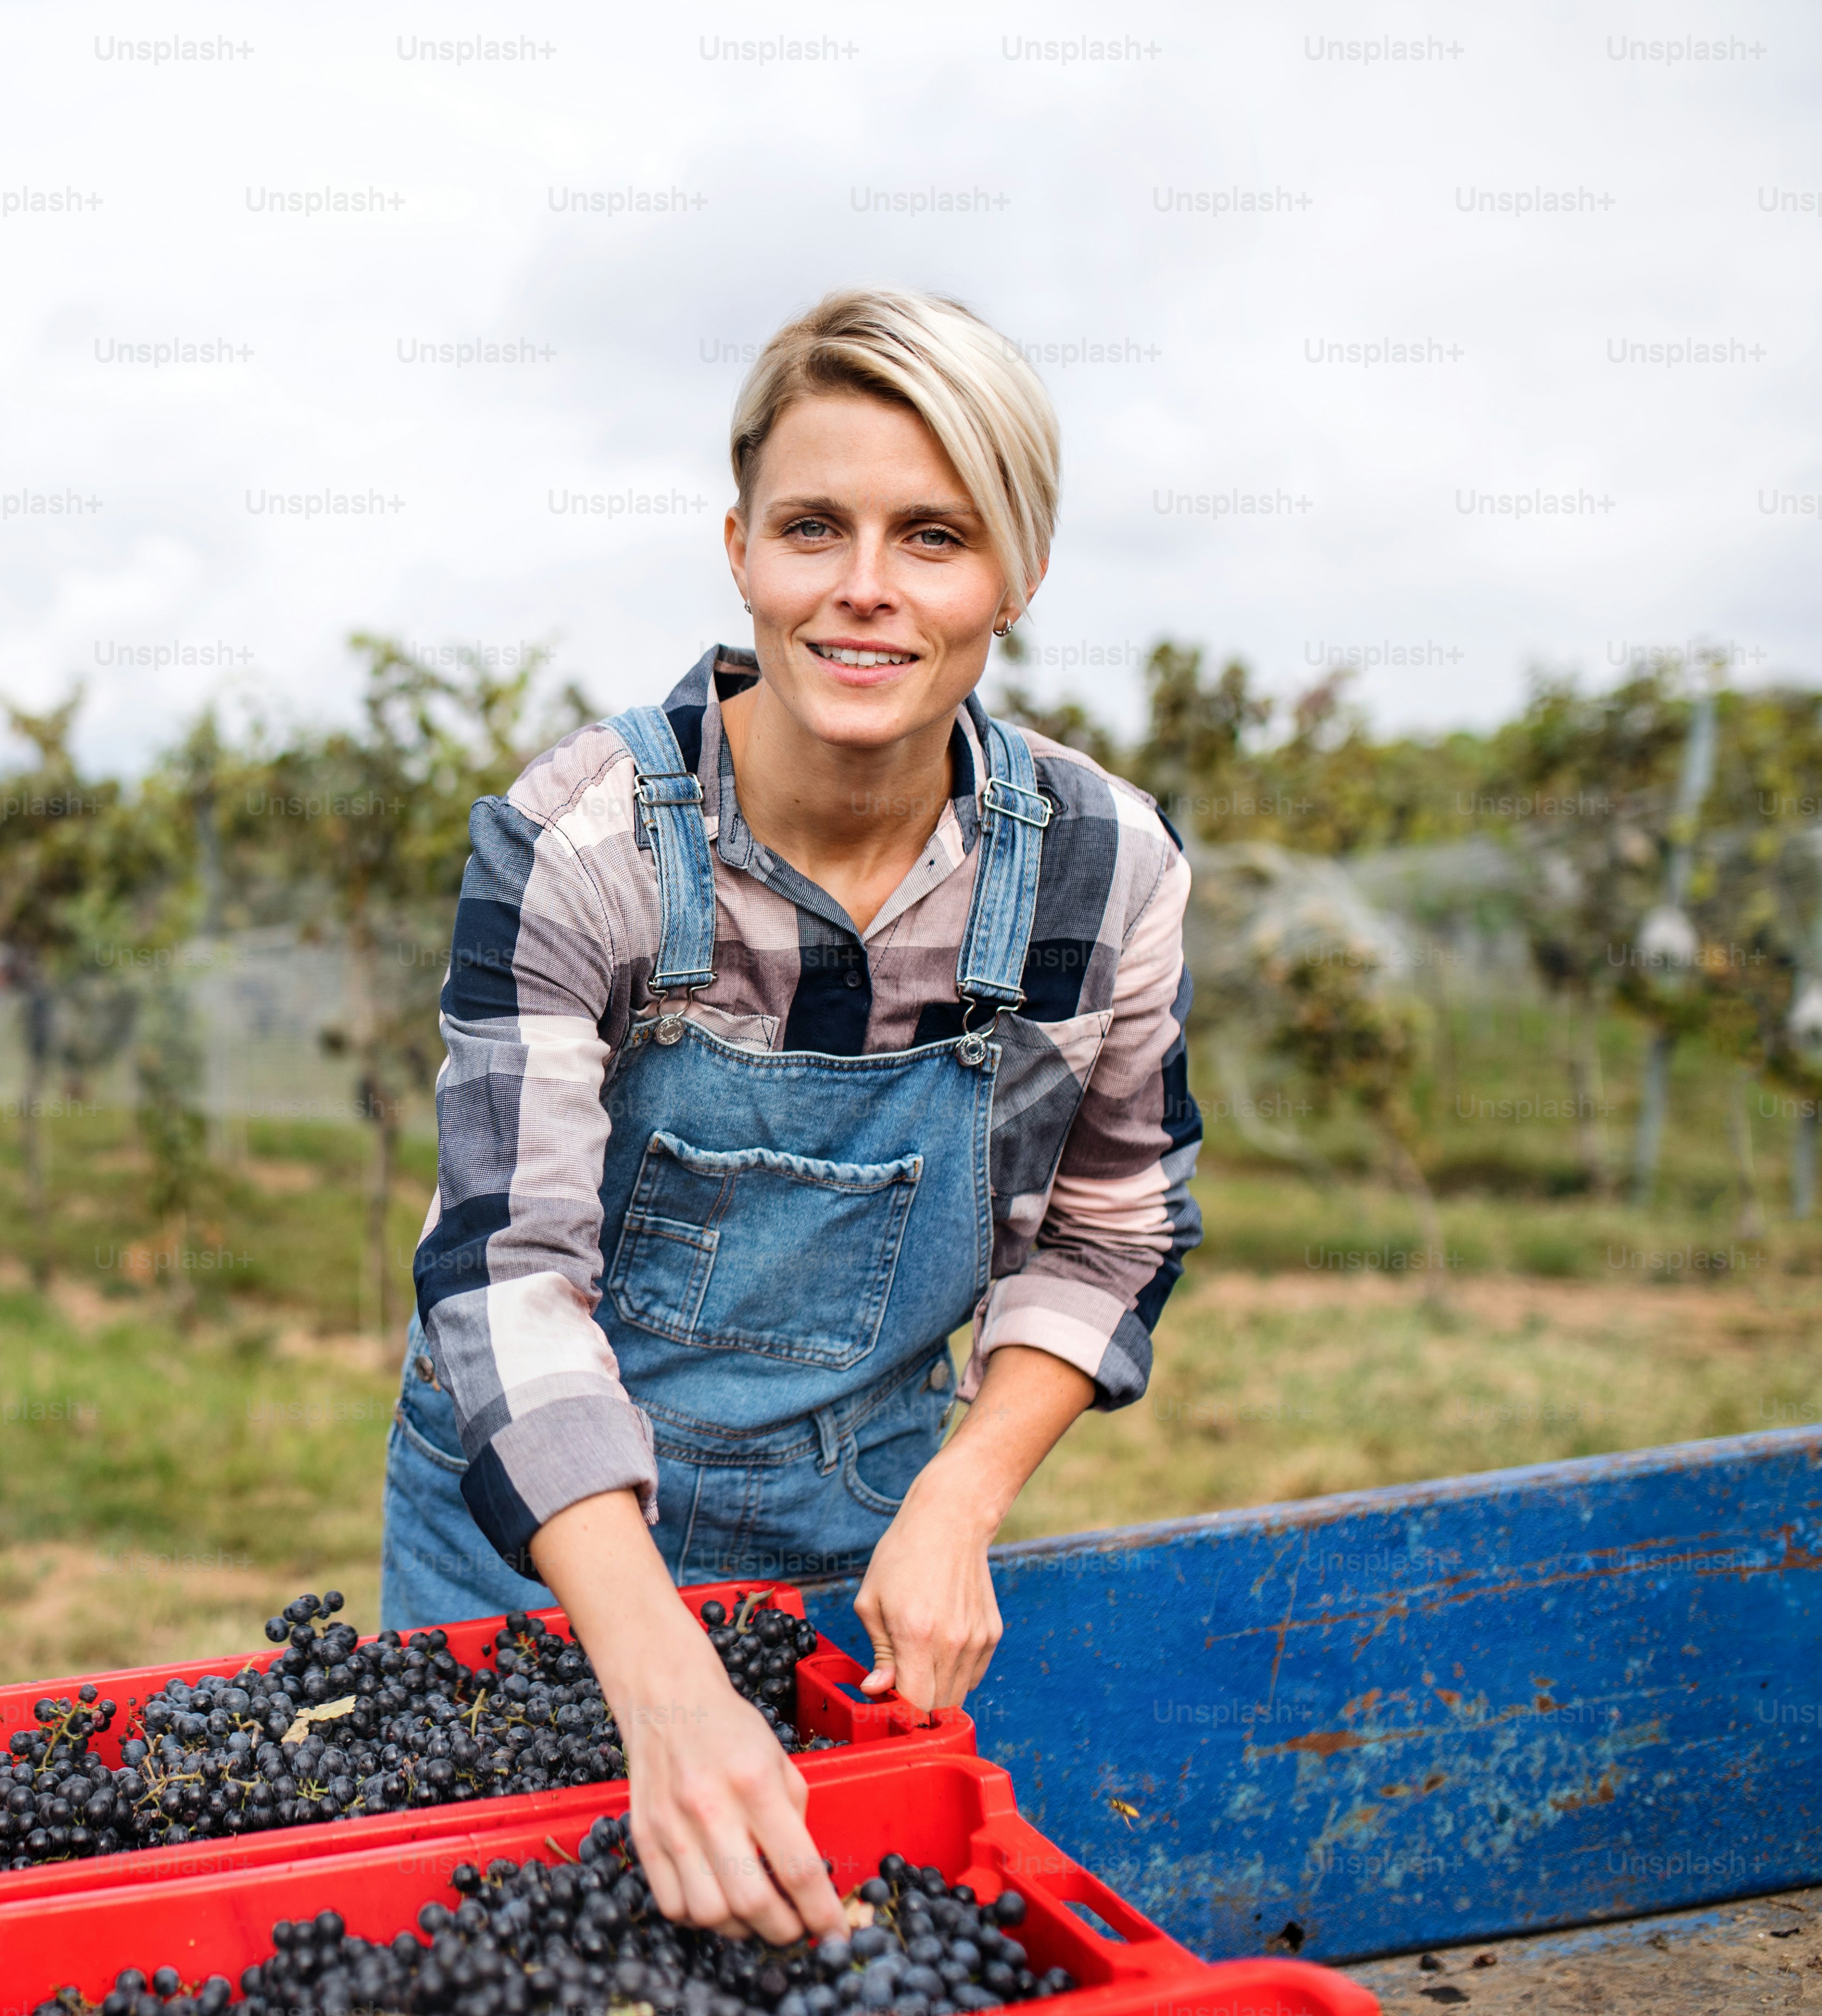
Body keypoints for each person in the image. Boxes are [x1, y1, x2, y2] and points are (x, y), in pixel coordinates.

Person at [381, 288, 1200, 1946]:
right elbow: (504, 1280)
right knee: (516, 1957)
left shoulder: (1103, 868)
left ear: (1018, 575)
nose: (866, 588)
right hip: (537, 1554)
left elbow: (1112, 1230)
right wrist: (666, 1692)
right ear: (741, 545)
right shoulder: (581, 841)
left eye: (936, 536)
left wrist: (959, 1500)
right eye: (815, 526)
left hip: (859, 1540)